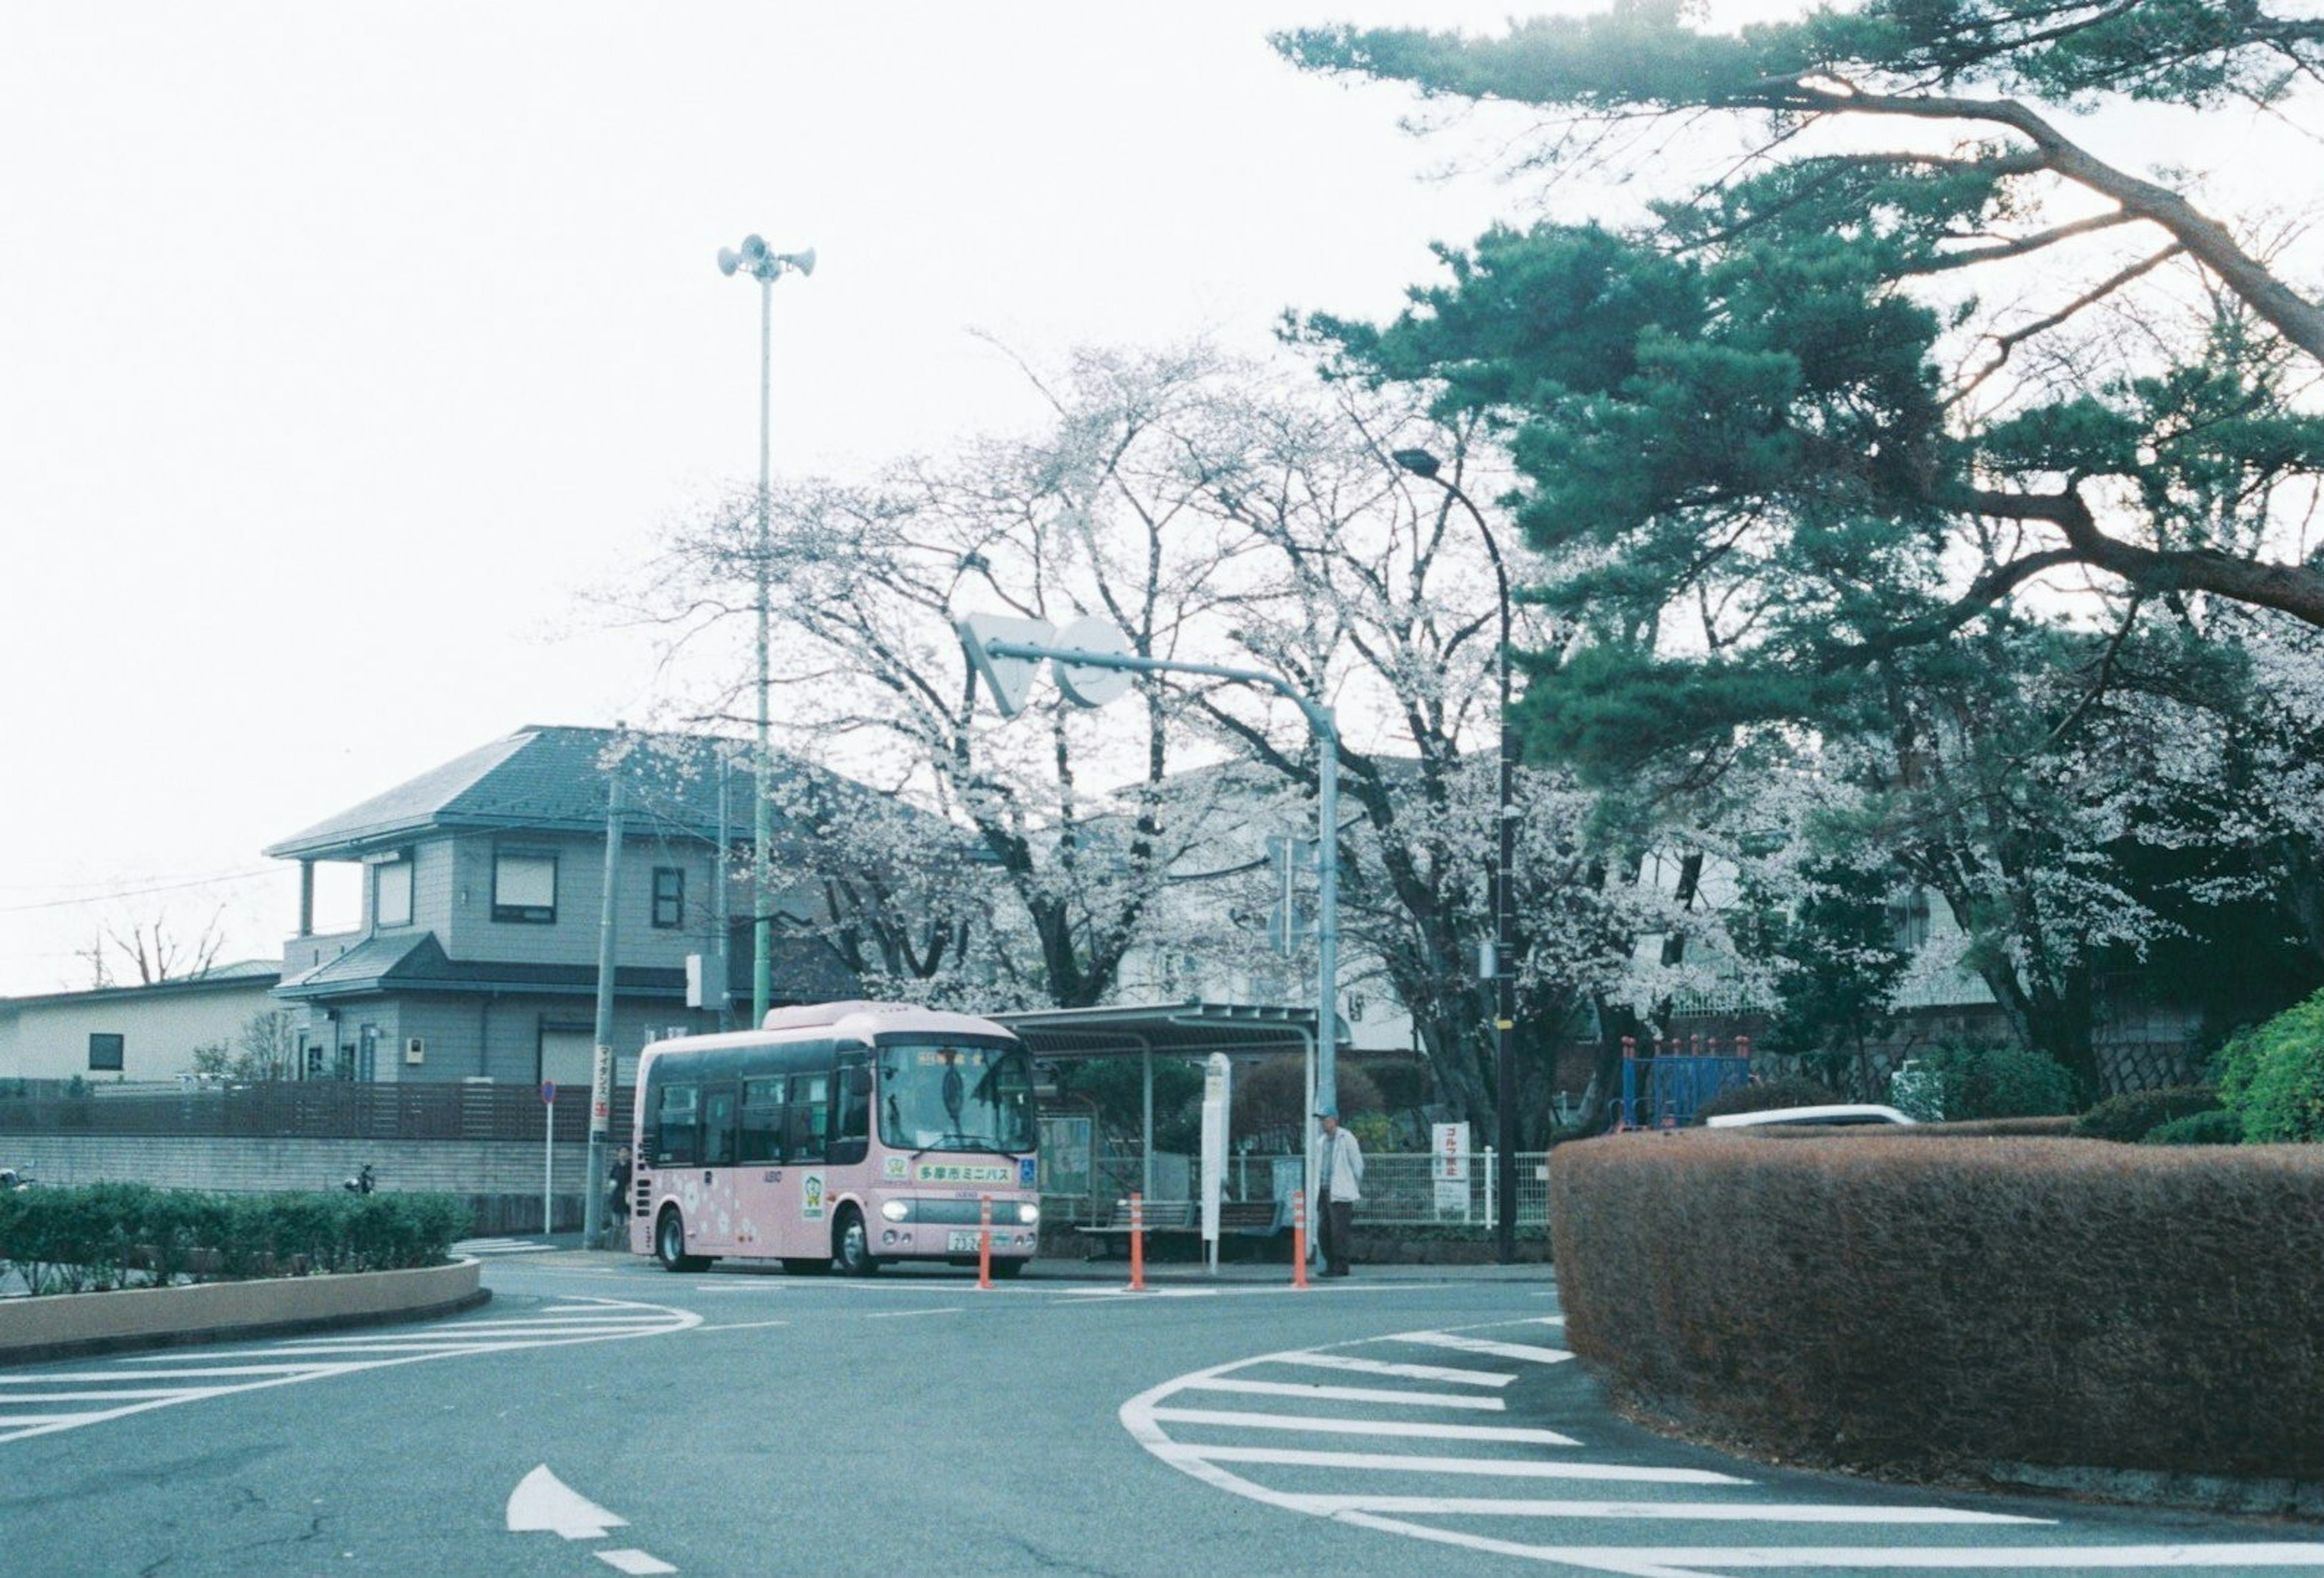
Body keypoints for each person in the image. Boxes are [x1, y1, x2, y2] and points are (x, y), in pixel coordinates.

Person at [1315, 1104, 1364, 1277]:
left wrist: (1352, 1185)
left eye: (1325, 1119)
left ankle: (1341, 1266)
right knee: (1323, 1230)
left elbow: (1357, 1164)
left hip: (1341, 1191)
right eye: (1321, 1120)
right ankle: (1330, 1263)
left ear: (1334, 1120)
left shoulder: (1346, 1138)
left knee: (1339, 1231)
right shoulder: (1321, 1141)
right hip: (1324, 1190)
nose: (1322, 1123)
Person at [606, 1145, 633, 1225]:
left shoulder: (632, 1166)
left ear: (629, 1154)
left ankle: (627, 1233)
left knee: (627, 1214)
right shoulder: (616, 1166)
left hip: (628, 1193)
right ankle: (616, 1232)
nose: (623, 1154)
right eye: (621, 1152)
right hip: (617, 1193)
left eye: (626, 1152)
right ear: (618, 1154)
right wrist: (612, 1185)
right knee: (616, 1214)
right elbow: (611, 1178)